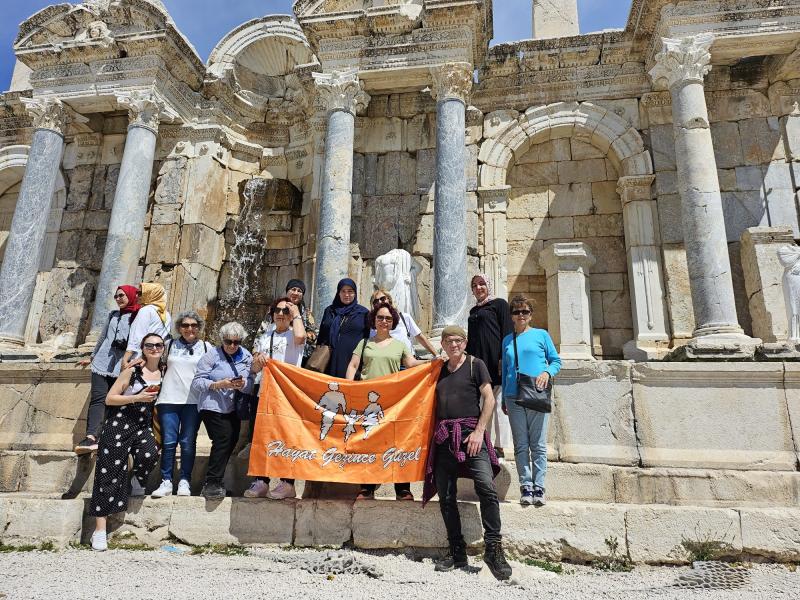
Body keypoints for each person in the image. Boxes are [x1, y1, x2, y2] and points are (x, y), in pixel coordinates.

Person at [422, 325, 512, 580]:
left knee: (486, 486)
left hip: (471, 435)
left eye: (458, 340)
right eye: (449, 341)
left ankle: (493, 548)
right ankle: (457, 550)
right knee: (446, 495)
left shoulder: (476, 364)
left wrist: (478, 432)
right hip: (444, 438)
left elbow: (489, 398)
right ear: (442, 343)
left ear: (465, 342)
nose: (454, 345)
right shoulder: (438, 370)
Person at [88, 333, 164, 551]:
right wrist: (137, 397)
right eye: (149, 345)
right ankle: (100, 530)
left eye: (158, 345)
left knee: (150, 454)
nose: (154, 348)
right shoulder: (132, 371)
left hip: (142, 425)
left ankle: (137, 481)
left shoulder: (164, 370)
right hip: (119, 423)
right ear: (143, 348)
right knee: (108, 472)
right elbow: (110, 398)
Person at [346, 302, 429, 500]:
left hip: (392, 403)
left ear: (393, 323)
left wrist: (432, 362)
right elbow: (353, 365)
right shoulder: (365, 343)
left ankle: (402, 488)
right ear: (374, 320)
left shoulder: (400, 345)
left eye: (388, 319)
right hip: (368, 403)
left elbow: (410, 364)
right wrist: (348, 387)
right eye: (381, 318)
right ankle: (367, 487)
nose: (384, 321)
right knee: (369, 444)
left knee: (396, 443)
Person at [501, 295, 562, 506]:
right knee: (521, 444)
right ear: (512, 316)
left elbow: (556, 361)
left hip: (536, 391)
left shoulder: (541, 335)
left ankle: (539, 486)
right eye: (517, 312)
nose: (521, 315)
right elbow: (505, 370)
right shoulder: (507, 340)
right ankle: (525, 485)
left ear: (530, 315)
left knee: (537, 443)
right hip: (512, 395)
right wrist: (502, 398)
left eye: (525, 312)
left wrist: (547, 372)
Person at [244, 296, 306, 500]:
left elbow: (300, 337)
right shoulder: (264, 336)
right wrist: (257, 360)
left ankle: (287, 483)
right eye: (277, 311)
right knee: (261, 437)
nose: (281, 314)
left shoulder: (294, 333)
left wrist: (295, 312)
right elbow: (253, 368)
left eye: (285, 312)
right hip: (264, 391)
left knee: (287, 438)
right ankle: (261, 480)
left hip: (287, 394)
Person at [150, 311, 211, 498]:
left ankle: (185, 480)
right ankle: (166, 481)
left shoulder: (207, 347)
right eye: (185, 325)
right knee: (168, 442)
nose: (189, 329)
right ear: (179, 328)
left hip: (193, 401)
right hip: (168, 399)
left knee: (187, 442)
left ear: (199, 328)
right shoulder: (168, 345)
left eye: (193, 325)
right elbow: (151, 359)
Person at [190, 321, 253, 500]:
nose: (232, 345)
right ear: (222, 340)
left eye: (236, 342)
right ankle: (212, 482)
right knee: (223, 439)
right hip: (212, 405)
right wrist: (219, 384)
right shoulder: (211, 356)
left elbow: (250, 384)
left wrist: (242, 385)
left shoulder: (246, 356)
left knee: (230, 441)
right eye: (228, 341)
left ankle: (216, 481)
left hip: (233, 407)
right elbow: (197, 382)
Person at [75, 285, 140, 454]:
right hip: (102, 362)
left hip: (123, 364)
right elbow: (103, 337)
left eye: (122, 295)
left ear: (132, 296)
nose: (118, 298)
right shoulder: (113, 315)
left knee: (115, 401)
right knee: (98, 399)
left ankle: (109, 436)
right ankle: (91, 437)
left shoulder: (138, 316)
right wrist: (92, 357)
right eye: (116, 296)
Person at [466, 274, 513, 457]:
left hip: (497, 363)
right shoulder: (472, 312)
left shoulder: (499, 304)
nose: (478, 288)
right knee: (482, 404)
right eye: (475, 285)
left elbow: (508, 333)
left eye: (482, 284)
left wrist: (503, 359)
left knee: (499, 403)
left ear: (489, 285)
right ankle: (484, 442)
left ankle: (500, 447)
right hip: (479, 364)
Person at [254, 279, 318, 364]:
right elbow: (262, 331)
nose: (295, 293)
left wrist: (295, 332)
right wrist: (256, 353)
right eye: (293, 289)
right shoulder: (276, 308)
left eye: (299, 291)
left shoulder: (306, 313)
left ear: (302, 295)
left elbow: (314, 334)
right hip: (273, 350)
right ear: (287, 291)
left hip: (299, 353)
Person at [316, 278, 369, 378]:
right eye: (343, 291)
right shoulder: (330, 310)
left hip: (351, 362)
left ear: (355, 293)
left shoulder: (363, 313)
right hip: (328, 360)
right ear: (338, 293)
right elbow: (321, 336)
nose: (347, 295)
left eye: (350, 291)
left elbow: (367, 338)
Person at [368, 289, 437, 358]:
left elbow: (420, 337)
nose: (380, 302)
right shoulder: (373, 324)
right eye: (376, 301)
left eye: (383, 299)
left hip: (408, 359)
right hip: (388, 362)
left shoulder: (404, 317)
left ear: (389, 299)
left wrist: (436, 355)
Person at [122, 282, 171, 370]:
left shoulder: (145, 310)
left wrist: (125, 359)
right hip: (154, 358)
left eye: (140, 293)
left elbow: (137, 337)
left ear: (150, 294)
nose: (137, 296)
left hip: (138, 359)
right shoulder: (165, 314)